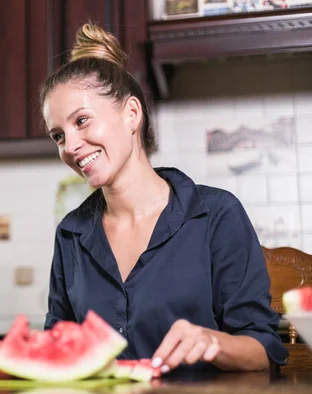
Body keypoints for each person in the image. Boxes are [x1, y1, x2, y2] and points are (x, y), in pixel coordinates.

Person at [41, 24, 287, 374]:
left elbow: (263, 350)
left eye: (82, 121)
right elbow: (57, 343)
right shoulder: (70, 234)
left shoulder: (217, 216)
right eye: (58, 135)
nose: (71, 146)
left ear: (131, 114)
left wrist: (211, 341)